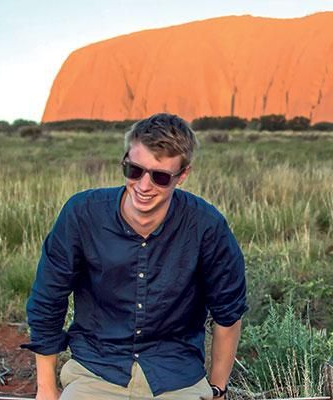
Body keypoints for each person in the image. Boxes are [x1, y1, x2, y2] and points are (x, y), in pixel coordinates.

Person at [22, 113, 247, 400]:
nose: (143, 185)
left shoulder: (206, 226)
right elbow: (48, 300)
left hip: (174, 377)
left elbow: (228, 312)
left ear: (183, 175)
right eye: (134, 170)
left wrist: (217, 389)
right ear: (125, 159)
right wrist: (46, 389)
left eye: (161, 176)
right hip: (97, 370)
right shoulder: (83, 214)